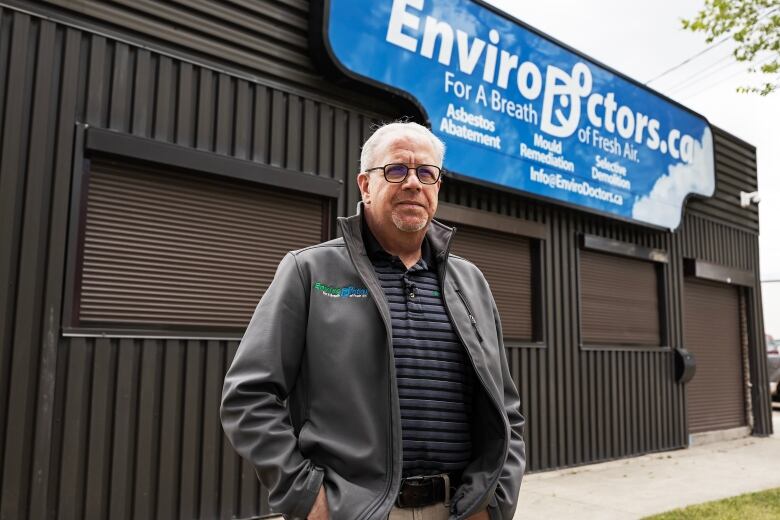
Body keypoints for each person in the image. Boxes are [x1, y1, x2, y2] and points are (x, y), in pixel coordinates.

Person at [221, 121, 526, 520]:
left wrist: (495, 503)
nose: (413, 183)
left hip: (460, 510)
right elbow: (248, 396)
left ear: (437, 187)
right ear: (365, 185)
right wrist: (307, 498)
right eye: (397, 170)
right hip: (352, 511)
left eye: (426, 172)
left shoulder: (470, 283)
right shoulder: (309, 272)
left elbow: (506, 409)